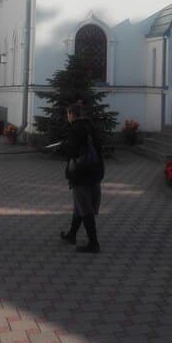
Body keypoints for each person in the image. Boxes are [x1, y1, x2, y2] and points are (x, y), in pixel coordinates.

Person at [60, 102, 104, 253]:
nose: (67, 117)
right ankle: (72, 234)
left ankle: (94, 243)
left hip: (81, 173)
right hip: (95, 171)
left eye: (68, 114)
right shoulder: (91, 126)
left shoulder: (75, 129)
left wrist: (65, 147)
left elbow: (72, 151)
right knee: (81, 205)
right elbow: (99, 147)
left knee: (84, 208)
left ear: (72, 114)